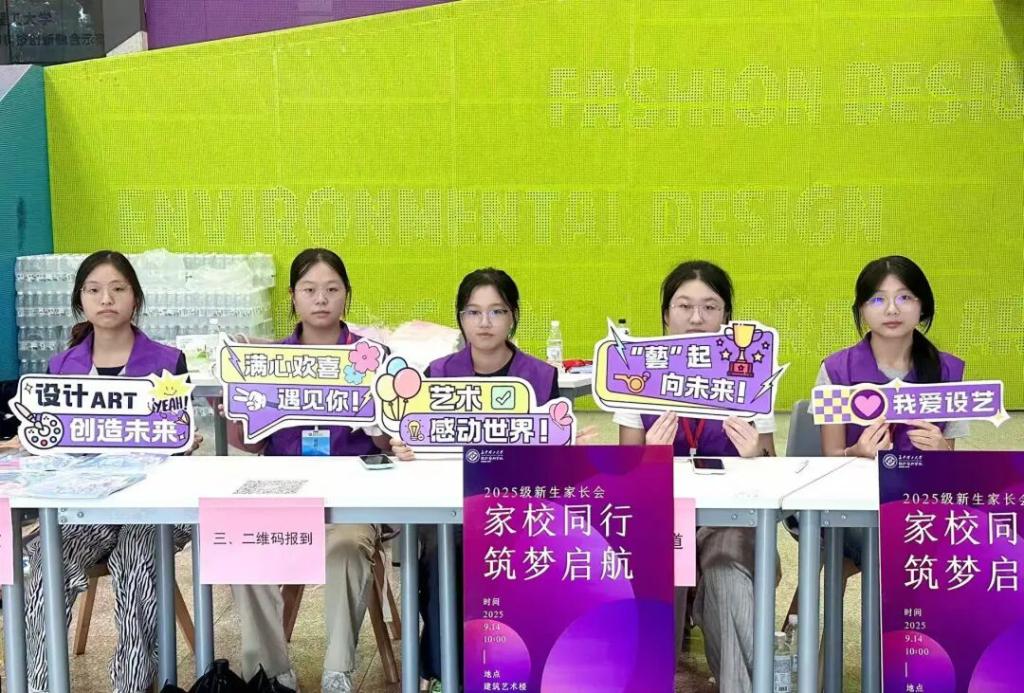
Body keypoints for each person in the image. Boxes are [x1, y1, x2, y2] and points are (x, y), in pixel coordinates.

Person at [25, 250, 197, 693]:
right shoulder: (60, 368)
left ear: (135, 298)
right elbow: (53, 446)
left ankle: (133, 684)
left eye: (118, 289)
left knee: (136, 558)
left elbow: (178, 436)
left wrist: (183, 441)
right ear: (79, 299)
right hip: (87, 508)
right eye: (94, 290)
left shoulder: (167, 362)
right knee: (44, 561)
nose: (106, 299)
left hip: (155, 506)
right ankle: (41, 684)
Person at [617, 260, 777, 693]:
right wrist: (649, 454)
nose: (696, 318)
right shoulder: (635, 374)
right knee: (657, 564)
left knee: (727, 572)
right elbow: (625, 479)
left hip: (731, 520)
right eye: (684, 305)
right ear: (665, 314)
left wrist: (755, 454)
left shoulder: (753, 376)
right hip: (662, 517)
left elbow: (772, 472)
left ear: (727, 316)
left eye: (710, 306)